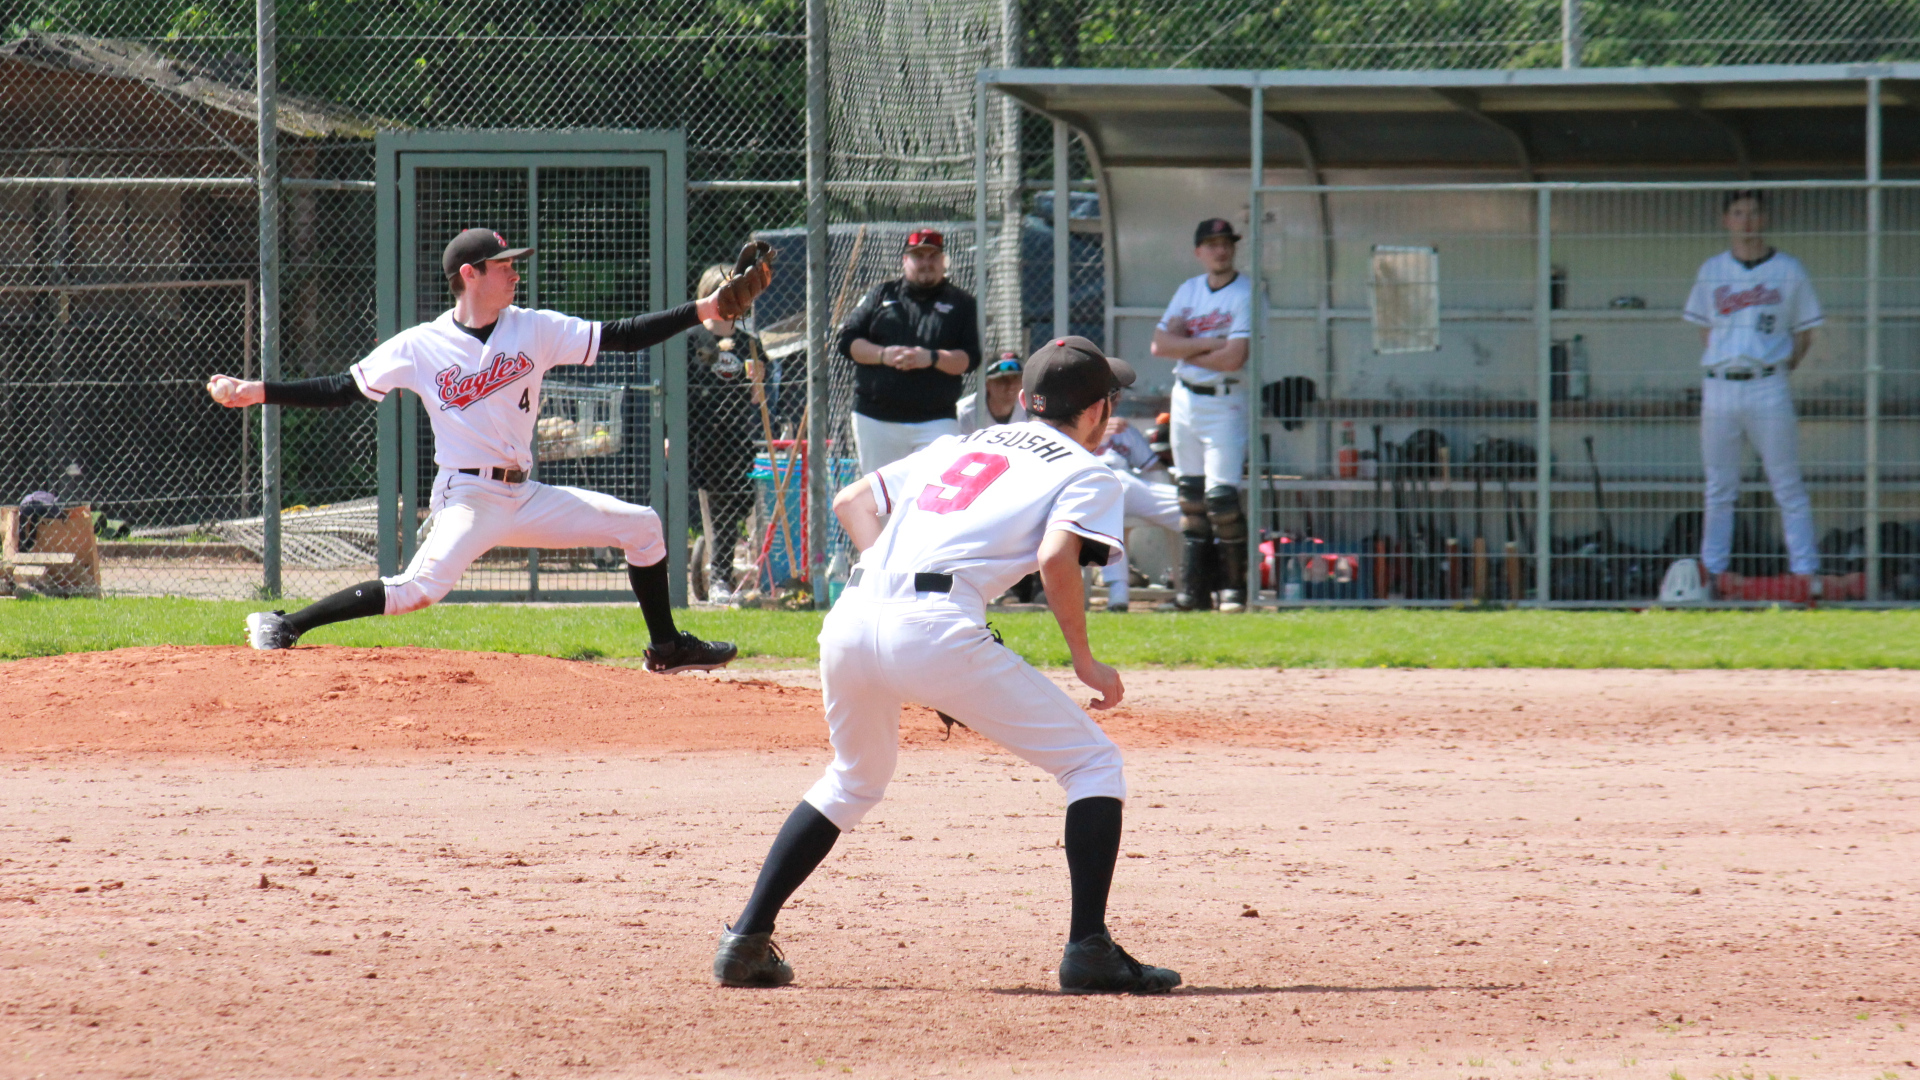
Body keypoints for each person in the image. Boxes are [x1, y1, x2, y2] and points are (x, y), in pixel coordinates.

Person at [712, 335, 1180, 995]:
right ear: (1100, 411)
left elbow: (853, 502)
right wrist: (1084, 659)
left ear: (1023, 400)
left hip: (851, 617)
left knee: (852, 781)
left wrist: (894, 591)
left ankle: (745, 939)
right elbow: (1055, 561)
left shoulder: (960, 444)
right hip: (934, 625)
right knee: (1092, 764)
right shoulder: (1087, 470)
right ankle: (1088, 950)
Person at [204, 228, 768, 673]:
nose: (515, 273)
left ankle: (666, 646)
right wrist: (258, 392)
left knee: (642, 526)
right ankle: (284, 624)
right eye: (505, 266)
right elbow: (340, 391)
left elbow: (623, 333)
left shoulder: (534, 328)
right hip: (466, 495)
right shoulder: (421, 345)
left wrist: (706, 310)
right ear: (469, 275)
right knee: (420, 589)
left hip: (523, 493)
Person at [1683, 190, 1824, 596]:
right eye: (1738, 213)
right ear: (1725, 220)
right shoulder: (1712, 270)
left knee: (1787, 483)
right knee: (1719, 487)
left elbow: (1806, 333)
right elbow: (1704, 329)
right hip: (1721, 385)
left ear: (1765, 219)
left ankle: (1806, 574)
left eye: (1753, 212)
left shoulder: (1788, 270)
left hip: (1768, 383)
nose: (1746, 220)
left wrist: (1777, 369)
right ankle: (1711, 574)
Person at [1150, 217, 1252, 613]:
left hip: (1225, 401)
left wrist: (1187, 345)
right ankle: (1193, 592)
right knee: (1190, 498)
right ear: (1199, 252)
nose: (1220, 249)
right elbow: (1160, 345)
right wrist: (1209, 343)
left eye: (1225, 242)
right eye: (1211, 244)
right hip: (1185, 400)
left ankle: (1233, 589)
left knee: (1222, 499)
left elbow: (1234, 357)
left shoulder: (1246, 292)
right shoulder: (1189, 290)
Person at [837, 228, 983, 474]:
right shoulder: (881, 295)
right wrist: (884, 355)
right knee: (883, 501)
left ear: (943, 261)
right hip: (876, 419)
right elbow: (847, 341)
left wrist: (931, 358)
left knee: (936, 492)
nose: (926, 263)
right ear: (905, 260)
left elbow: (970, 359)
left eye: (933, 257)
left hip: (936, 420)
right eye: (918, 256)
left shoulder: (962, 304)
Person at [687, 262, 773, 605]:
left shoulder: (748, 343)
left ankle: (746, 572)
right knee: (717, 508)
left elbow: (758, 399)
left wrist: (758, 382)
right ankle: (721, 577)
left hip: (739, 437)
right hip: (702, 438)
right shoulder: (693, 338)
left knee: (739, 507)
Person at [1096, 416, 1181, 612]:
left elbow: (1153, 468)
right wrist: (1096, 430)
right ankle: (1118, 591)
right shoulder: (1072, 420)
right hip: (1092, 485)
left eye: (1116, 393)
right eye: (1108, 392)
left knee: (1192, 506)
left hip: (1129, 488)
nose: (1113, 397)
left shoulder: (1125, 429)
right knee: (1108, 496)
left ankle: (1208, 583)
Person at [955, 351, 1029, 433]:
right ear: (987, 384)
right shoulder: (965, 413)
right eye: (1002, 379)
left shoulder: (1028, 408)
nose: (1010, 385)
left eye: (1015, 378)